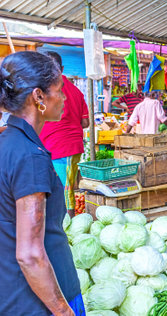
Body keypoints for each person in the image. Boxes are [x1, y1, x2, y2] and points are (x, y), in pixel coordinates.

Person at [0, 51, 82, 315]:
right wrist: (63, 309)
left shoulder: (8, 142)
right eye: (59, 90)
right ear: (38, 97)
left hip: (12, 291)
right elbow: (30, 255)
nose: (65, 97)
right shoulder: (29, 156)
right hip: (36, 302)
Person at [39, 51, 89, 217]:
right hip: (62, 146)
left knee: (64, 189)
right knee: (60, 187)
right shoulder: (76, 91)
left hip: (62, 146)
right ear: (61, 68)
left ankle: (70, 225)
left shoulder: (46, 90)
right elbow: (85, 123)